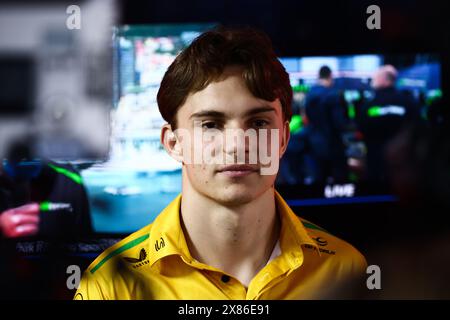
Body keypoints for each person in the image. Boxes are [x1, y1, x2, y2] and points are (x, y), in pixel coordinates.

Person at [75, 27, 367, 300]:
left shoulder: (346, 270)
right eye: (211, 124)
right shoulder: (109, 287)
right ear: (173, 143)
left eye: (258, 122)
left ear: (283, 138)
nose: (237, 144)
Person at [358, 65, 419, 183]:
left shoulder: (369, 105)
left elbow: (362, 129)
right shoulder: (408, 103)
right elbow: (417, 127)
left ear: (386, 80)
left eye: (376, 77)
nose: (373, 80)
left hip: (375, 161)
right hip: (402, 161)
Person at [304, 66, 348, 183]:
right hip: (333, 145)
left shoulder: (309, 95)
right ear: (330, 76)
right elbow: (339, 123)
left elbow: (307, 118)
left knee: (319, 178)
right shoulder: (333, 95)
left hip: (314, 143)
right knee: (340, 180)